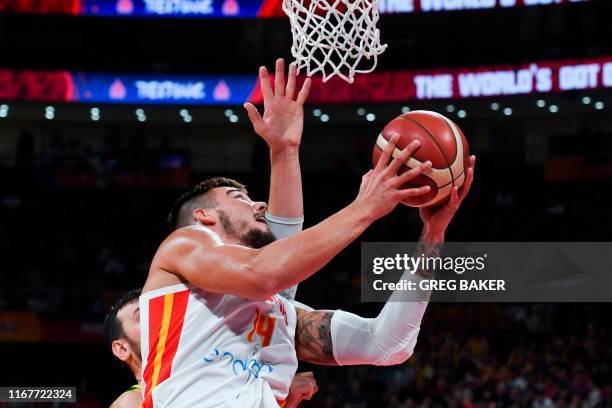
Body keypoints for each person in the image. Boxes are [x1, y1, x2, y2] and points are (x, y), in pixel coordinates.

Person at [140, 58, 474, 407]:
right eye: (239, 198)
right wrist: (365, 207)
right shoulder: (184, 245)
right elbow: (265, 271)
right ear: (203, 216)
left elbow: (388, 344)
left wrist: (433, 234)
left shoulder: (280, 314)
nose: (259, 206)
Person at [104, 289, 318, 408]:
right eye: (142, 317)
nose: (157, 321)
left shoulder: (211, 379)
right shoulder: (131, 402)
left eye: (157, 313)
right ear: (121, 349)